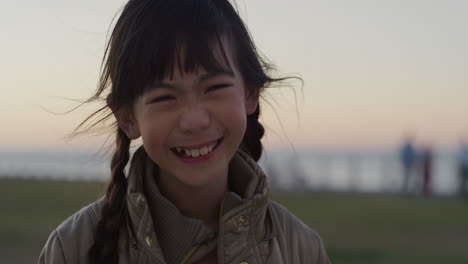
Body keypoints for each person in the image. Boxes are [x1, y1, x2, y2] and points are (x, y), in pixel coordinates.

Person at [38, 1, 330, 264]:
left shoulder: (300, 248)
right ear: (127, 117)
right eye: (164, 97)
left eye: (215, 88)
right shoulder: (72, 248)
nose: (194, 121)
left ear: (250, 94)